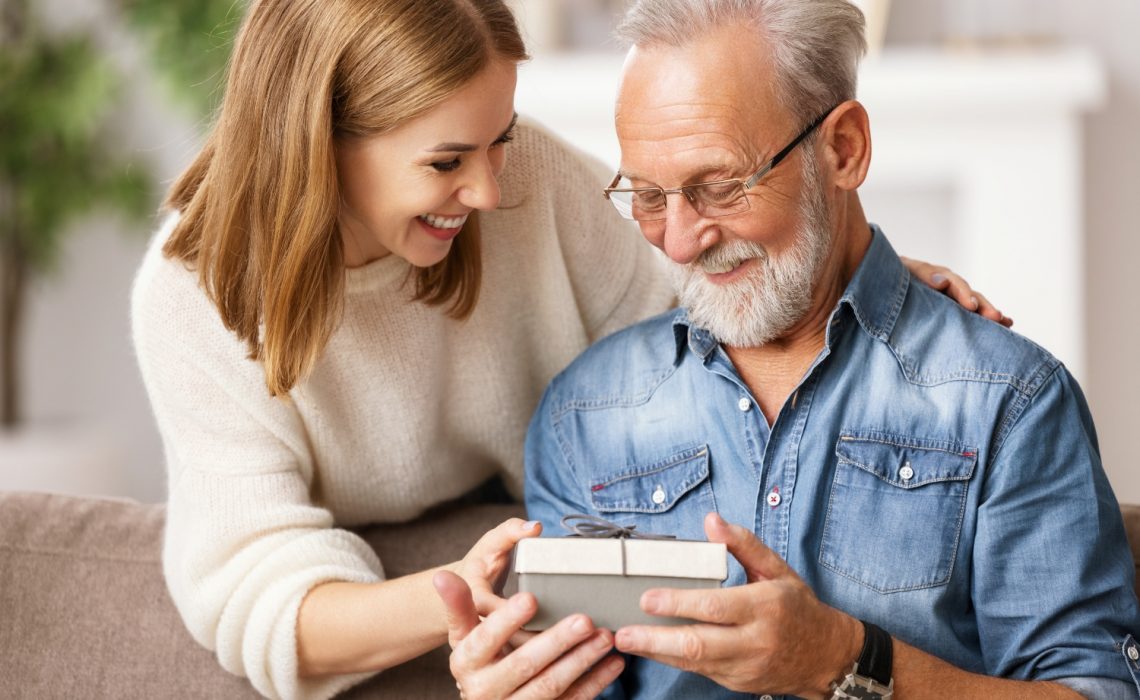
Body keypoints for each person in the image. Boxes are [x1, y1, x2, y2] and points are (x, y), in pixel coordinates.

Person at [130, 0, 1009, 698]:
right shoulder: (193, 295)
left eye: (500, 139)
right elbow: (256, 593)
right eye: (445, 163)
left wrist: (862, 269)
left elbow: (703, 269)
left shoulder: (530, 186)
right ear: (319, 143)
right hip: (436, 589)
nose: (486, 189)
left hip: (546, 534)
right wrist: (481, 591)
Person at [438, 1, 1140, 699]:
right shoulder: (583, 413)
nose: (679, 243)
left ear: (843, 150)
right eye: (649, 197)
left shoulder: (1006, 402)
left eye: (719, 187)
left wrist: (845, 660)